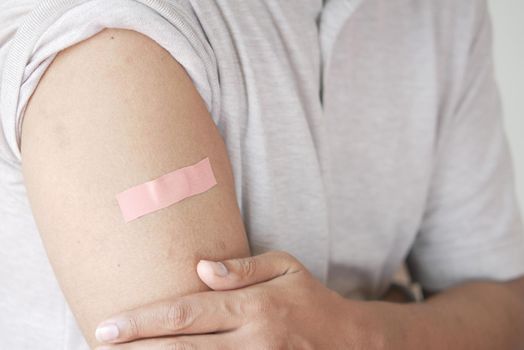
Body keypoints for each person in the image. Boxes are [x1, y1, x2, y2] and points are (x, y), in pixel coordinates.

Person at [1, 0, 523, 349]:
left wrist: (358, 331)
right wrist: (408, 310)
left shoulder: (441, 14)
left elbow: (507, 308)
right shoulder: (108, 38)